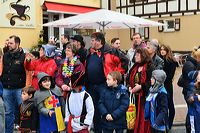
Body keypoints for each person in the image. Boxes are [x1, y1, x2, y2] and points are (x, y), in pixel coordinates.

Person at [86, 32, 128, 133]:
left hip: (103, 85)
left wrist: (115, 75)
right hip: (91, 86)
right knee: (95, 110)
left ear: (99, 41)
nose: (91, 42)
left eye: (93, 40)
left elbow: (125, 61)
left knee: (105, 109)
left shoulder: (111, 51)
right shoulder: (90, 51)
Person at [2, 35, 26, 133]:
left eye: (11, 43)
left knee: (24, 111)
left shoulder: (23, 56)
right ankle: (8, 131)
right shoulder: (6, 55)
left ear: (17, 44)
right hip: (7, 88)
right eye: (8, 43)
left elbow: (27, 71)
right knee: (8, 113)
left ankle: (25, 130)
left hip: (19, 89)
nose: (9, 45)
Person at [126, 48, 154, 133]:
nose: (136, 56)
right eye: (135, 54)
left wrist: (141, 87)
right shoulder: (135, 66)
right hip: (134, 98)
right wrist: (129, 87)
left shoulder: (150, 67)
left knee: (143, 118)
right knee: (133, 117)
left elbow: (152, 82)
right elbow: (128, 78)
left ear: (143, 56)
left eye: (138, 55)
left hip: (144, 98)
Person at [65, 62, 94, 133]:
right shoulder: (69, 95)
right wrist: (67, 119)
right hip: (71, 123)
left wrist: (87, 122)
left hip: (82, 124)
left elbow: (91, 110)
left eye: (70, 82)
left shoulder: (86, 96)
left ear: (75, 84)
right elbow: (67, 108)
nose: (69, 83)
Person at [180, 47, 200, 133]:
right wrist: (194, 96)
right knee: (192, 114)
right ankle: (189, 129)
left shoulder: (192, 63)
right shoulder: (190, 65)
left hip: (192, 91)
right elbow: (190, 82)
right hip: (191, 92)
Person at [160, 44, 178, 129]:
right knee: (163, 105)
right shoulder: (160, 60)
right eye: (161, 49)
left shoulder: (171, 61)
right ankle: (165, 123)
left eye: (164, 50)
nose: (162, 51)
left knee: (169, 104)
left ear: (167, 51)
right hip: (161, 85)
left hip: (167, 85)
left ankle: (169, 124)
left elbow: (170, 76)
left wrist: (160, 78)